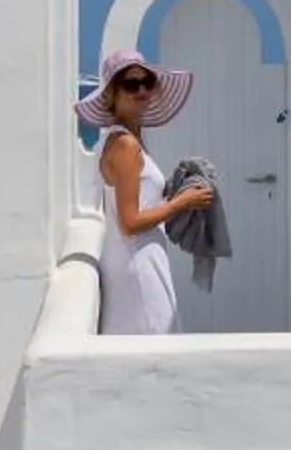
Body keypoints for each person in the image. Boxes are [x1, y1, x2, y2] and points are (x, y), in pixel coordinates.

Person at [76, 47, 212, 336]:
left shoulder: (123, 141)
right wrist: (182, 202)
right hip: (137, 265)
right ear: (113, 93)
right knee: (157, 345)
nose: (141, 91)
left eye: (147, 83)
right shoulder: (125, 145)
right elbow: (130, 222)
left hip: (138, 259)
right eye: (131, 84)